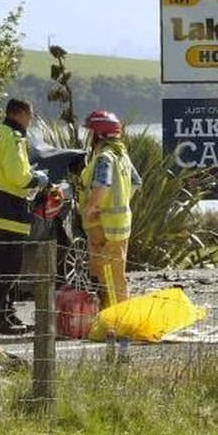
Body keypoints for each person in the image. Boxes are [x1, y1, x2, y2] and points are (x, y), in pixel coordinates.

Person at [0, 98, 48, 335]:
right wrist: (38, 179)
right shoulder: (14, 137)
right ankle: (0, 317)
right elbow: (18, 176)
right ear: (19, 114)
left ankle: (2, 315)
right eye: (30, 115)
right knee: (10, 267)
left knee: (0, 266)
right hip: (8, 209)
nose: (30, 120)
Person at [79, 110, 140, 308]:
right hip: (120, 225)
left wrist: (91, 207)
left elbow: (102, 184)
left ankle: (113, 322)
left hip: (103, 226)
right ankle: (118, 318)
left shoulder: (105, 157)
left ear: (99, 134)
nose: (88, 137)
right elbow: (136, 183)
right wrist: (121, 201)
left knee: (105, 276)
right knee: (117, 274)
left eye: (90, 132)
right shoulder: (122, 156)